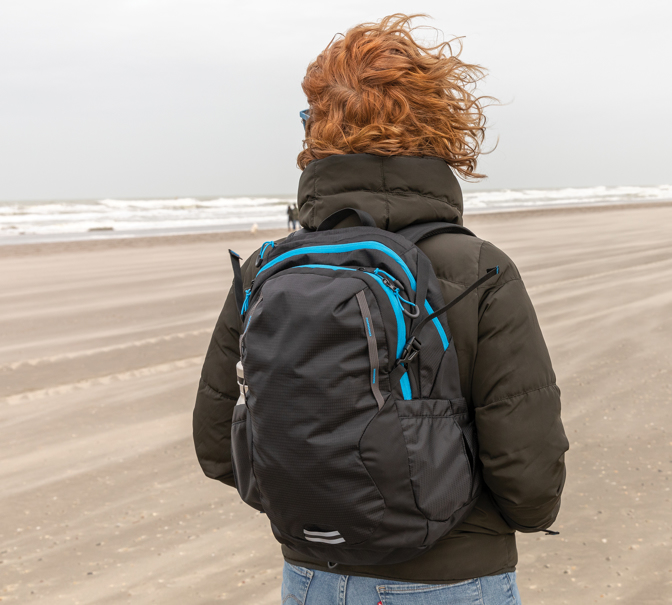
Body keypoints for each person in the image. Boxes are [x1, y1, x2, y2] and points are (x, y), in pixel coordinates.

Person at [191, 14, 568, 605]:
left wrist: (329, 508)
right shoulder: (480, 269)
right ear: (440, 129)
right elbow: (528, 478)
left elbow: (219, 447)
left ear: (316, 129)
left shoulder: (266, 268)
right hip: (451, 578)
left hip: (312, 577)